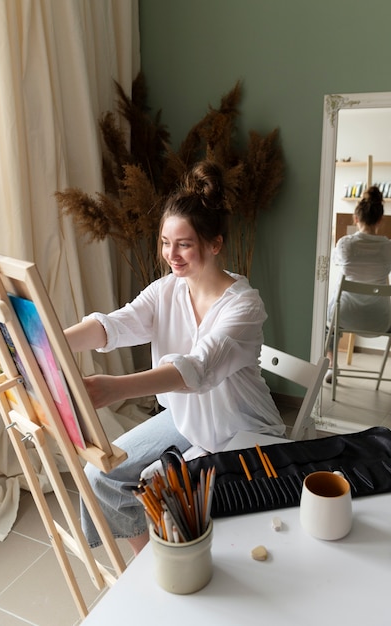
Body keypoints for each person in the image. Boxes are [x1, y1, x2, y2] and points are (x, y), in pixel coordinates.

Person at [65, 160, 285, 555]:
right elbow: (115, 325)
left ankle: (184, 569)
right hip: (188, 421)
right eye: (166, 242)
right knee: (101, 476)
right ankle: (143, 568)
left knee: (179, 506)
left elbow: (196, 368)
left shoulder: (244, 306)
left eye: (184, 244)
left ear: (214, 244)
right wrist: (50, 343)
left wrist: (113, 389)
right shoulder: (166, 289)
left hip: (242, 430)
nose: (172, 255)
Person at [325, 185, 391, 383]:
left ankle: (331, 366)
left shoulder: (345, 244)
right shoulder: (388, 247)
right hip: (381, 320)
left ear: (355, 218)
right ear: (380, 220)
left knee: (327, 323)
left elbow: (336, 260)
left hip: (344, 315)